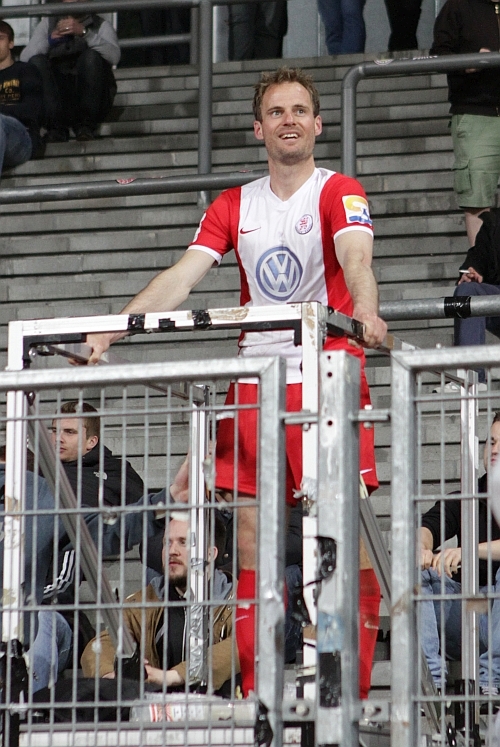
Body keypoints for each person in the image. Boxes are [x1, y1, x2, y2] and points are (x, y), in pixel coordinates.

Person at [83, 66, 388, 699]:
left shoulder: (339, 190)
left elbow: (357, 259)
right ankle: (256, 695)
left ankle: (347, 694)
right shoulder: (234, 203)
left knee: (344, 537)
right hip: (256, 379)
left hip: (326, 370)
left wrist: (365, 313)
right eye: (276, 112)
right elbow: (183, 276)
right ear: (258, 128)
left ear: (318, 124)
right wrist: (114, 328)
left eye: (299, 110)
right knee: (250, 540)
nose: (289, 120)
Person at [81, 511, 238, 692]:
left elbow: (240, 647)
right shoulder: (147, 600)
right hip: (157, 707)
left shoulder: (237, 600)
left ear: (210, 554)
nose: (172, 551)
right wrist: (110, 677)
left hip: (221, 706)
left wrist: (173, 676)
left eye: (184, 542)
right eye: (167, 543)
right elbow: (102, 643)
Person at [420, 414, 500, 701]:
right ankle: (431, 683)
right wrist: (423, 549)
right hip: (466, 614)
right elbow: (427, 526)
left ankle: (491, 681)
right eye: (491, 442)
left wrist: (469, 550)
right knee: (416, 571)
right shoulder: (467, 497)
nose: (494, 450)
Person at [43, 400, 144, 602]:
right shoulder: (37, 469)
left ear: (91, 441)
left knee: (74, 529)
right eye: (55, 431)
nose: (58, 438)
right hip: (36, 539)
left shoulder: (116, 471)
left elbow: (141, 514)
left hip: (81, 538)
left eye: (69, 432)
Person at [430, 0, 500, 246]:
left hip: (478, 112)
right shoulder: (458, 5)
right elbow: (439, 54)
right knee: (476, 198)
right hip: (476, 112)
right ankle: (483, 265)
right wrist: (470, 63)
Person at [20, 0, 120, 142]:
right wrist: (49, 41)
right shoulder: (49, 23)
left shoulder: (100, 24)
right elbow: (25, 58)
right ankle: (56, 128)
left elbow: (115, 56)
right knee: (37, 61)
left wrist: (85, 33)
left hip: (90, 95)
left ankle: (85, 126)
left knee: (91, 57)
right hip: (59, 95)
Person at [432, 208, 500, 394]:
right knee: (467, 291)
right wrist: (472, 271)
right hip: (496, 300)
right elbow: (477, 256)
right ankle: (471, 378)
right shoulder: (494, 222)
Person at [0, 21, 42, 172]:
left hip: (22, 137)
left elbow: (32, 110)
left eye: (0, 38)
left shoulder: (26, 71)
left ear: (11, 43)